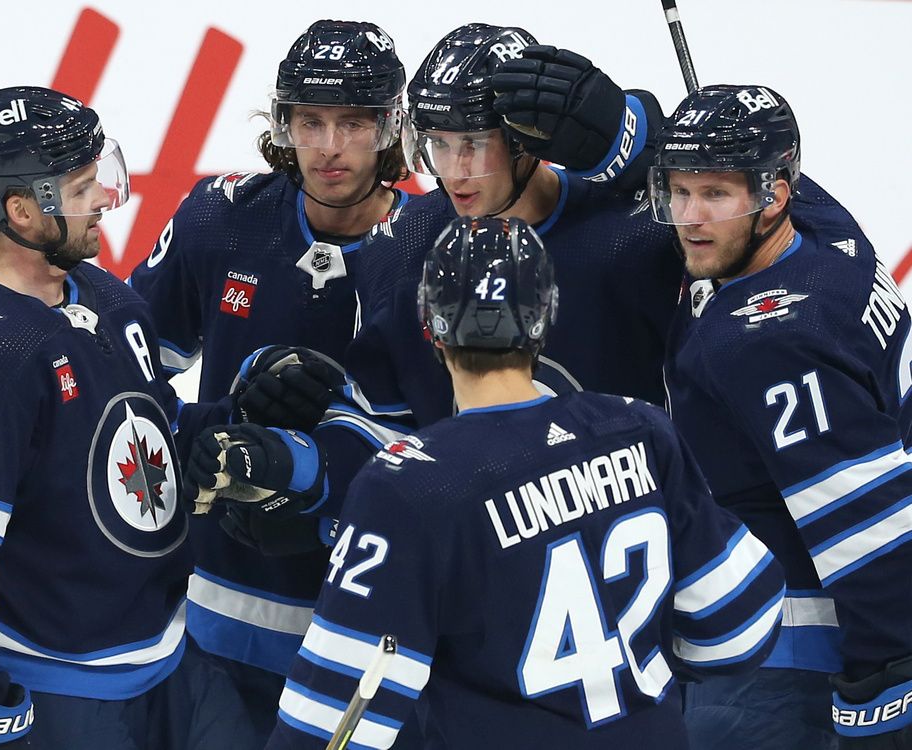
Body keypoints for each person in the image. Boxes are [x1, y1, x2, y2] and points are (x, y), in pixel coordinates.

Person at [231, 215, 783, 749]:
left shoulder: (409, 487)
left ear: (429, 325)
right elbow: (739, 625)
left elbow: (332, 721)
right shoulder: (638, 429)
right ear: (546, 316)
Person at [0, 86, 233, 750]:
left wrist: (236, 419)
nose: (108, 199)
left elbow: (150, 436)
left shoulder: (109, 297)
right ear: (23, 210)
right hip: (56, 689)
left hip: (169, 657)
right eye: (83, 186)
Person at [127, 19, 414, 746]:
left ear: (392, 127)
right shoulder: (220, 218)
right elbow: (122, 376)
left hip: (367, 632)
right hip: (211, 620)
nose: (328, 146)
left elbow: (462, 439)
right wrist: (207, 434)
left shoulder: (435, 250)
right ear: (282, 123)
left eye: (353, 123)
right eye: (308, 121)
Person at [655, 85, 912, 749]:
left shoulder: (765, 343)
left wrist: (887, 680)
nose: (690, 217)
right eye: (679, 191)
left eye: (716, 194)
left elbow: (870, 529)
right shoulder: (834, 236)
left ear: (775, 195)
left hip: (779, 656)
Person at [341, 22, 682, 430]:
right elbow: (382, 424)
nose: (454, 173)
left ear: (524, 139)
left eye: (474, 145)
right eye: (440, 144)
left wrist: (638, 134)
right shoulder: (399, 246)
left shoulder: (636, 231)